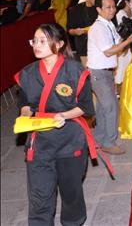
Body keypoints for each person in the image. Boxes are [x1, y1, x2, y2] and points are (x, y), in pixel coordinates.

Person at [16, 23, 95, 225]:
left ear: (59, 44)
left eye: (43, 40)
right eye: (35, 40)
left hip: (70, 140)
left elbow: (86, 108)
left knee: (71, 193)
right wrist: (25, 116)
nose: (37, 45)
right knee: (39, 195)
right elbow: (25, 104)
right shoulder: (27, 74)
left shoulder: (76, 71)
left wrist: (64, 115)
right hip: (40, 142)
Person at [87, 0, 132, 155]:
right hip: (98, 74)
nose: (112, 10)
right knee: (111, 107)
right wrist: (128, 41)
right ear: (99, 9)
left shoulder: (109, 24)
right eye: (108, 7)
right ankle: (109, 142)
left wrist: (128, 34)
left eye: (114, 6)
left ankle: (98, 138)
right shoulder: (98, 28)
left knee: (102, 108)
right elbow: (109, 52)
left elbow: (117, 43)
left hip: (106, 73)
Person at [67, 0, 102, 66]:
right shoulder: (76, 10)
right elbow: (69, 29)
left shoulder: (102, 7)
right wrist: (75, 31)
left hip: (102, 46)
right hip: (84, 48)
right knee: (89, 74)